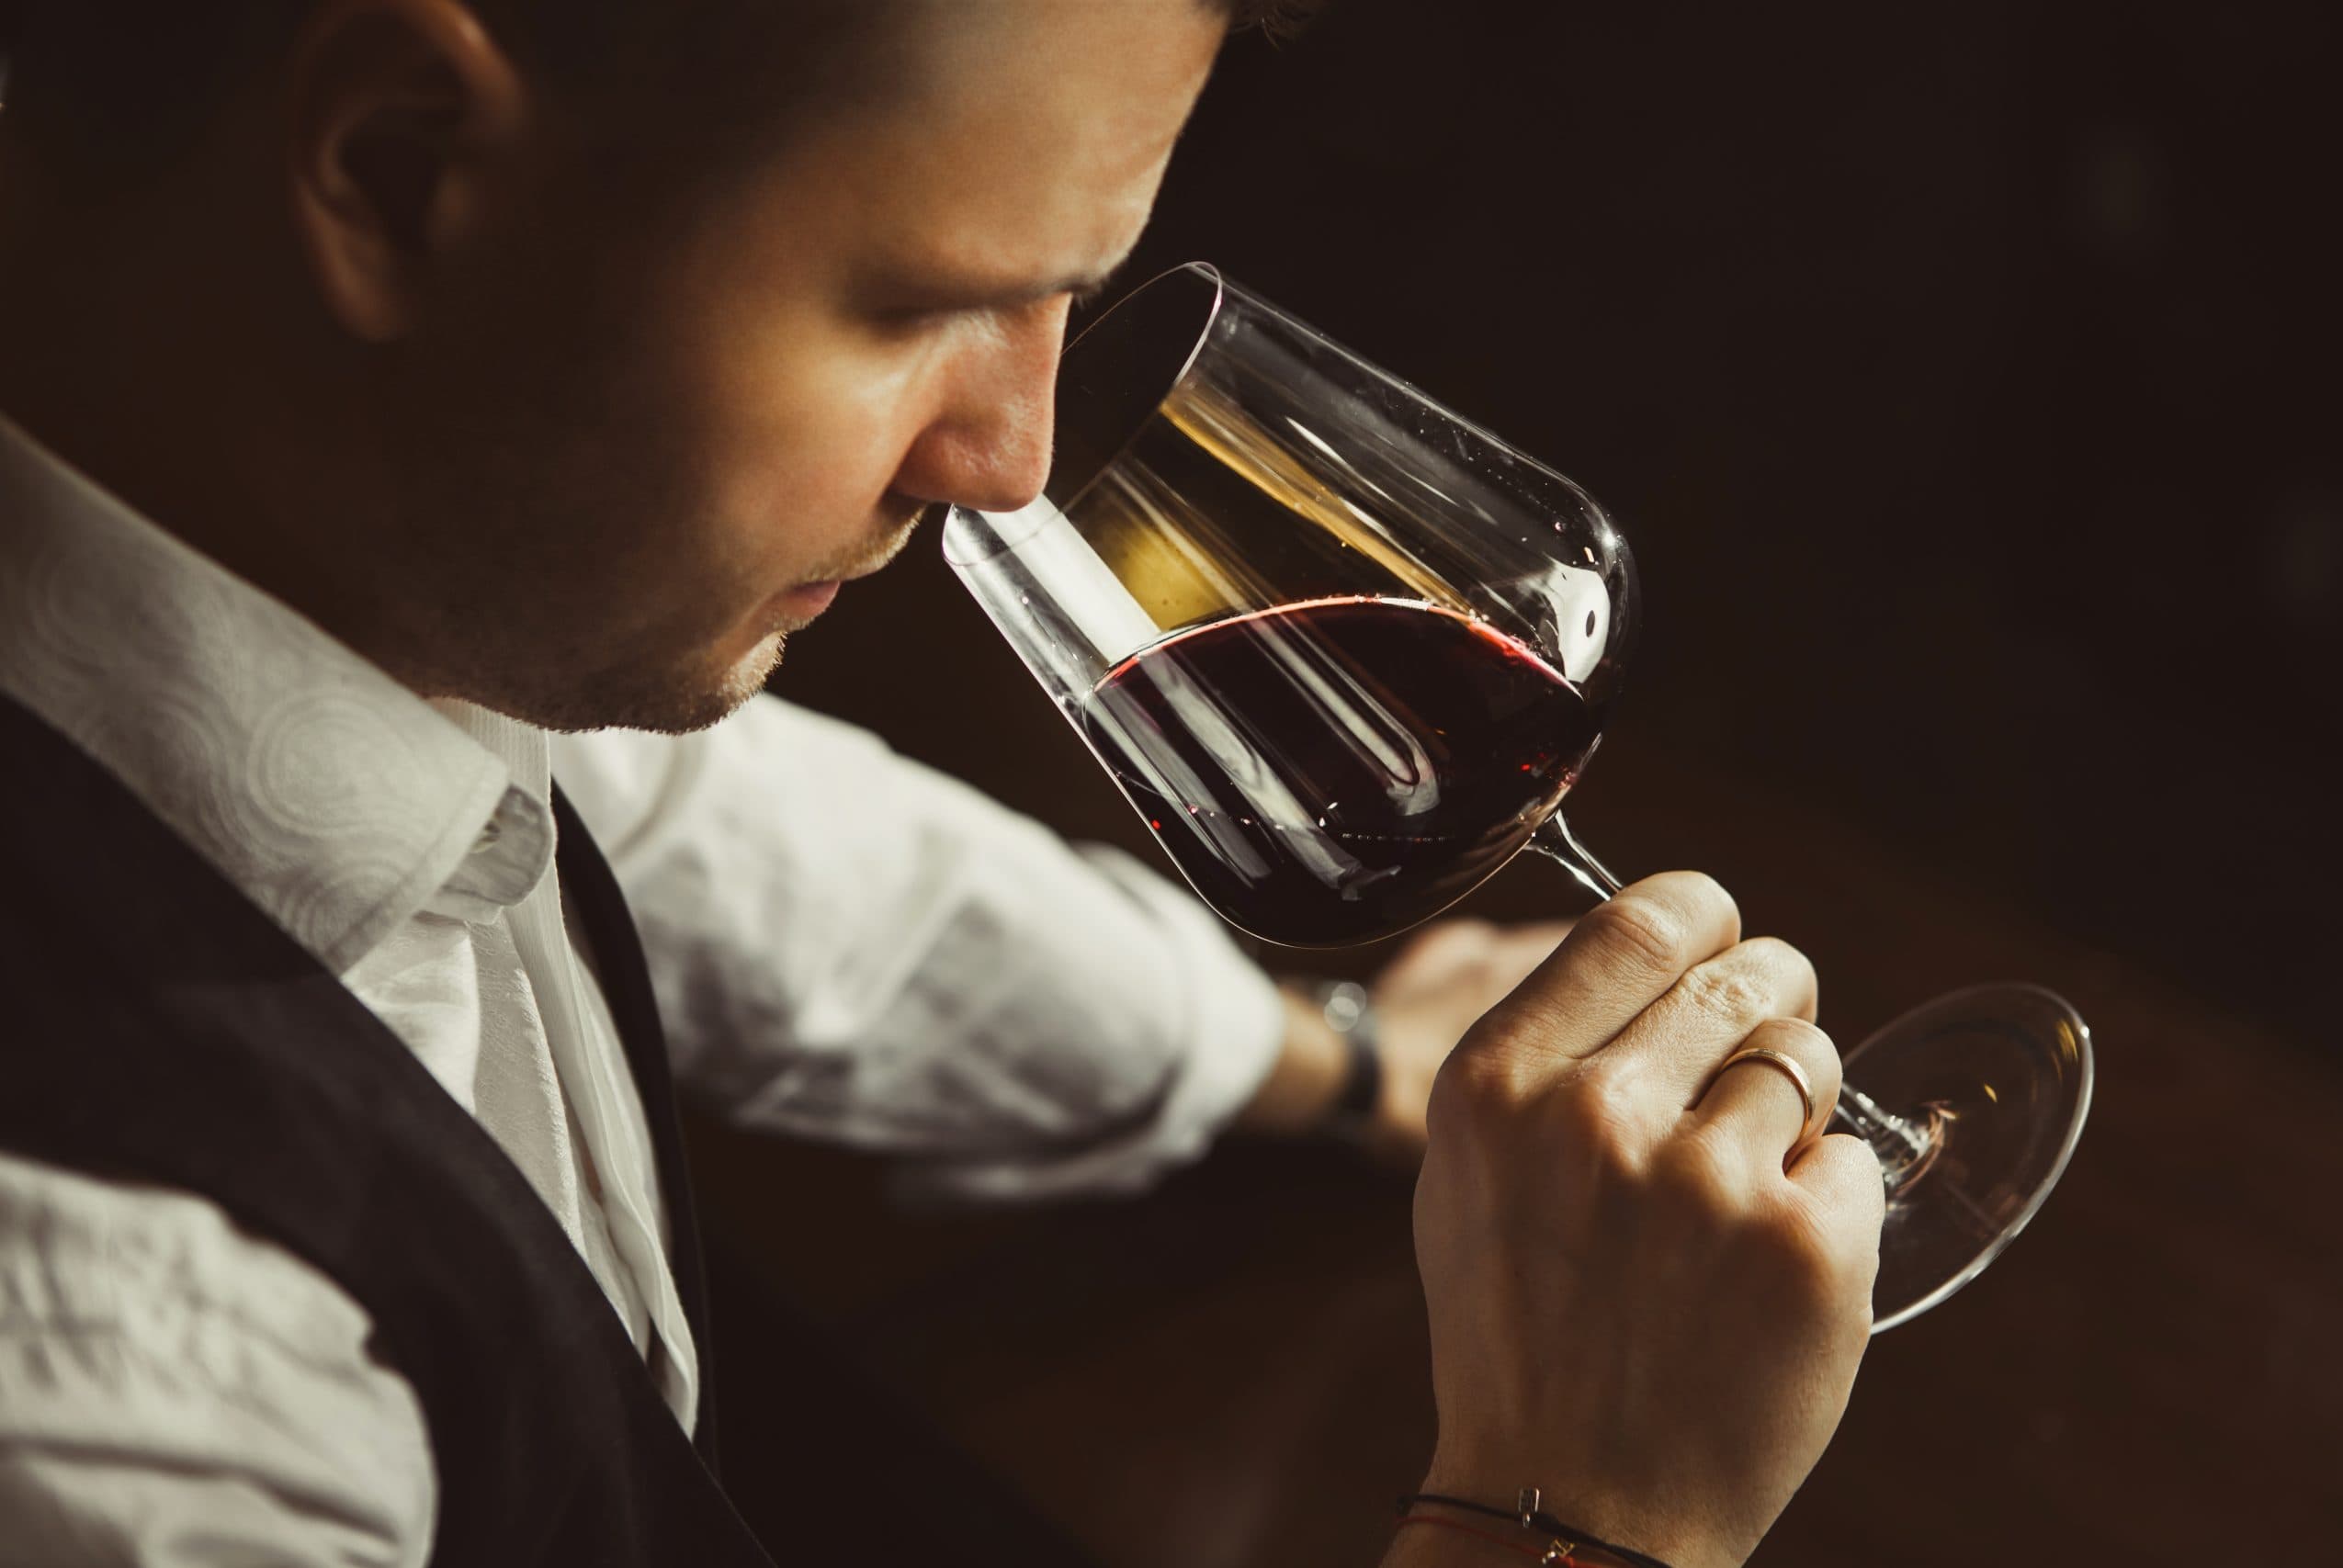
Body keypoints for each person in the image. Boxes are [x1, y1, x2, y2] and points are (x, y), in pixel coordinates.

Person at [0, 2, 1885, 1565]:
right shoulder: (128, 1377)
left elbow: (770, 866)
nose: (1012, 458)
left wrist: (1333, 1062)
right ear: (403, 181)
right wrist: (1584, 1509)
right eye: (923, 305)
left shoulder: (347, 603)